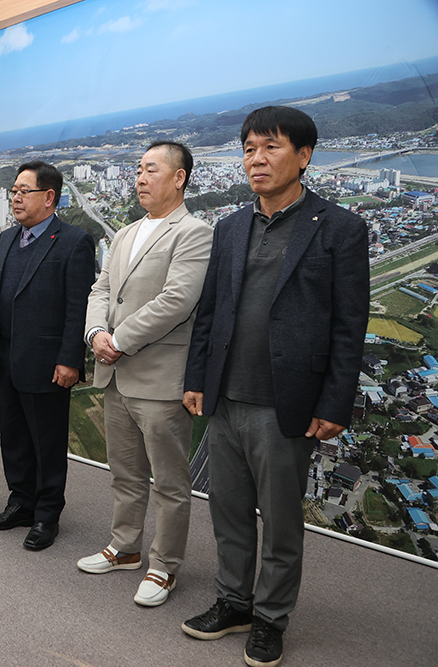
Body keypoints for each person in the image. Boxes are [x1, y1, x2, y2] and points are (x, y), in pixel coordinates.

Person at [181, 106, 369, 667]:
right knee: (228, 511)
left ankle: (270, 618)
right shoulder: (231, 225)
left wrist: (335, 401)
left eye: (271, 148)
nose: (256, 159)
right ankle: (234, 601)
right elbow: (209, 311)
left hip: (285, 404)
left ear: (304, 156)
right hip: (225, 398)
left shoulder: (339, 228)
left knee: (281, 522)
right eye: (248, 149)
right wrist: (197, 380)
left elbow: (347, 325)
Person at [79, 141, 212, 606]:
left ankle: (163, 566)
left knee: (170, 483)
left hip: (159, 378)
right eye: (137, 169)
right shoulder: (124, 233)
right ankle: (124, 547)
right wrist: (96, 331)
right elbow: (102, 288)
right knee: (125, 471)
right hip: (114, 375)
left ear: (179, 178)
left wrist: (119, 340)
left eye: (150, 169)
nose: (139, 177)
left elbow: (177, 301)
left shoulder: (194, 232)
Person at [0, 160, 95, 550]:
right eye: (13, 191)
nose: (15, 198)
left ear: (49, 197)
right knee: (13, 438)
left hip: (47, 362)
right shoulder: (9, 238)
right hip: (7, 357)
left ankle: (46, 515)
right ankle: (20, 503)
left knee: (46, 442)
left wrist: (70, 359)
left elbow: (78, 307)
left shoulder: (74, 241)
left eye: (23, 191)